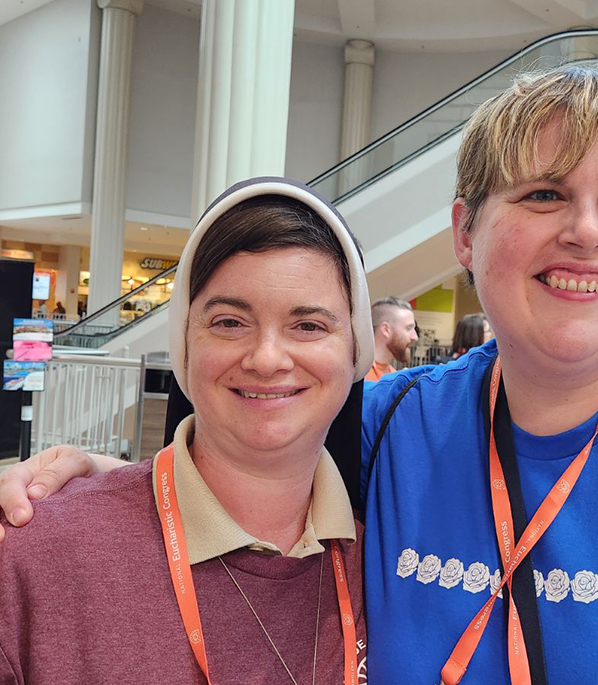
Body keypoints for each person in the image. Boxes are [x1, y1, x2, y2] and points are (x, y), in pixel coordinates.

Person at [2, 68, 598, 684]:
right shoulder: (386, 429)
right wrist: (87, 484)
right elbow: (245, 455)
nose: (585, 231)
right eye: (544, 193)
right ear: (466, 233)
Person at [0, 179, 370, 683]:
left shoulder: (388, 564)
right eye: (228, 322)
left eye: (308, 326)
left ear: (356, 351)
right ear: (185, 346)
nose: (266, 358)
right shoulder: (35, 554)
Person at [365, 295, 418, 381]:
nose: (415, 337)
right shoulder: (357, 376)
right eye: (408, 328)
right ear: (386, 329)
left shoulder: (394, 377)